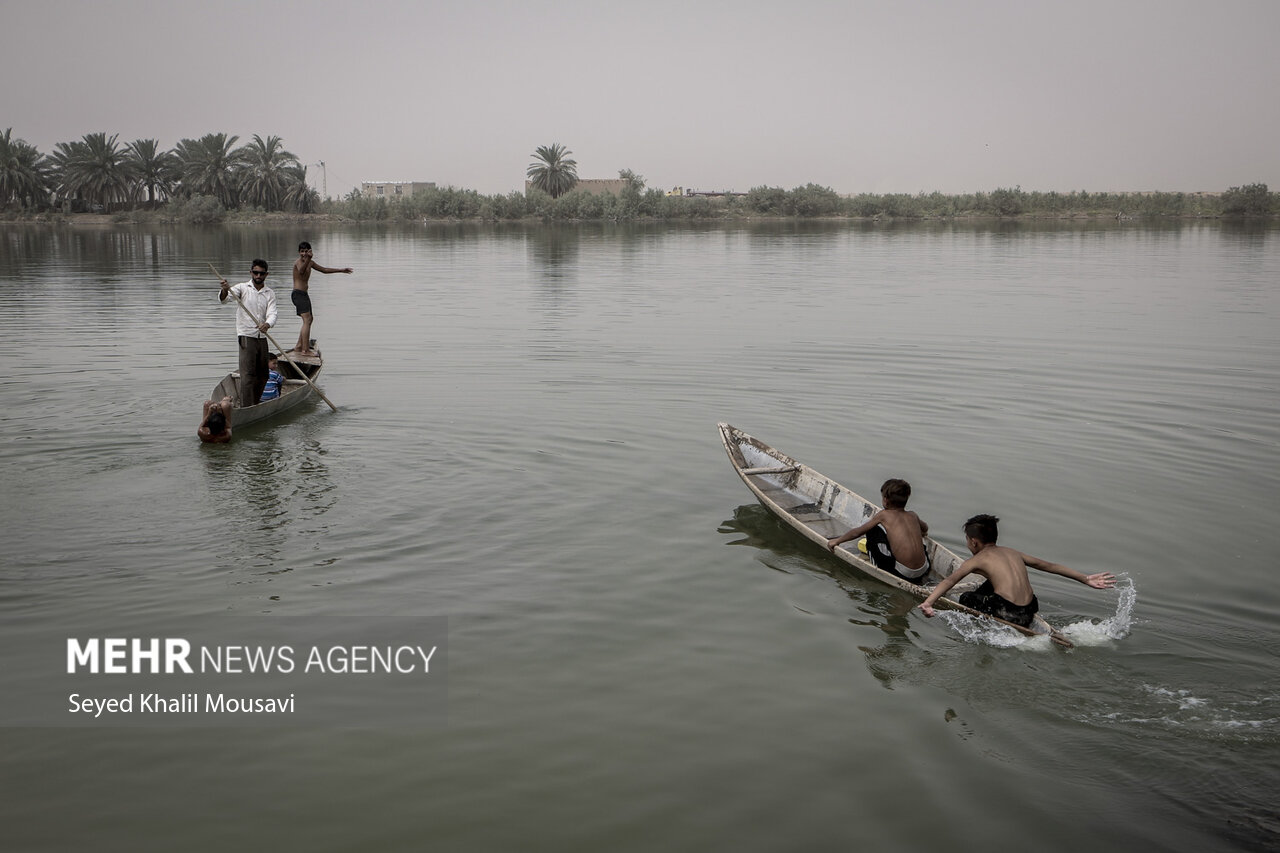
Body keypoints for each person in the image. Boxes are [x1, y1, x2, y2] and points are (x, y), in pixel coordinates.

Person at [917, 514, 1116, 627]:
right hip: (1029, 610)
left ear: (974, 542)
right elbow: (1049, 566)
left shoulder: (978, 559)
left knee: (967, 597)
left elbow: (950, 581)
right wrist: (1085, 578)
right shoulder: (1013, 553)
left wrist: (928, 602)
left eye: (968, 541)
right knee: (989, 584)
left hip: (1007, 612)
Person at [827, 478, 931, 583]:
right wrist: (920, 532)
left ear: (885, 500)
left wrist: (837, 541)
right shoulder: (913, 515)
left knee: (872, 530)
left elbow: (857, 532)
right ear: (907, 497)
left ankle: (878, 566)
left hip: (903, 573)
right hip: (924, 569)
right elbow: (925, 528)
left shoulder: (884, 515)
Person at [218, 260, 278, 408]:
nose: (258, 275)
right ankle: (247, 407)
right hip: (246, 336)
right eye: (255, 272)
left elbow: (273, 313)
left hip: (262, 336)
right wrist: (225, 289)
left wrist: (267, 324)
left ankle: (255, 404)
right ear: (250, 272)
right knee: (248, 375)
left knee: (263, 375)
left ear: (266, 274)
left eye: (261, 273)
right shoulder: (242, 288)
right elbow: (225, 300)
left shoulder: (269, 293)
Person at [291, 241, 352, 356]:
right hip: (298, 294)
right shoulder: (298, 262)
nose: (304, 254)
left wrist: (341, 270)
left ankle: (299, 346)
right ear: (299, 252)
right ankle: (305, 350)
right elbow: (301, 271)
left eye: (306, 251)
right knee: (307, 320)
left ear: (310, 251)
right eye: (302, 252)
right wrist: (308, 259)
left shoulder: (311, 262)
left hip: (304, 294)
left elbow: (324, 270)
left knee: (310, 319)